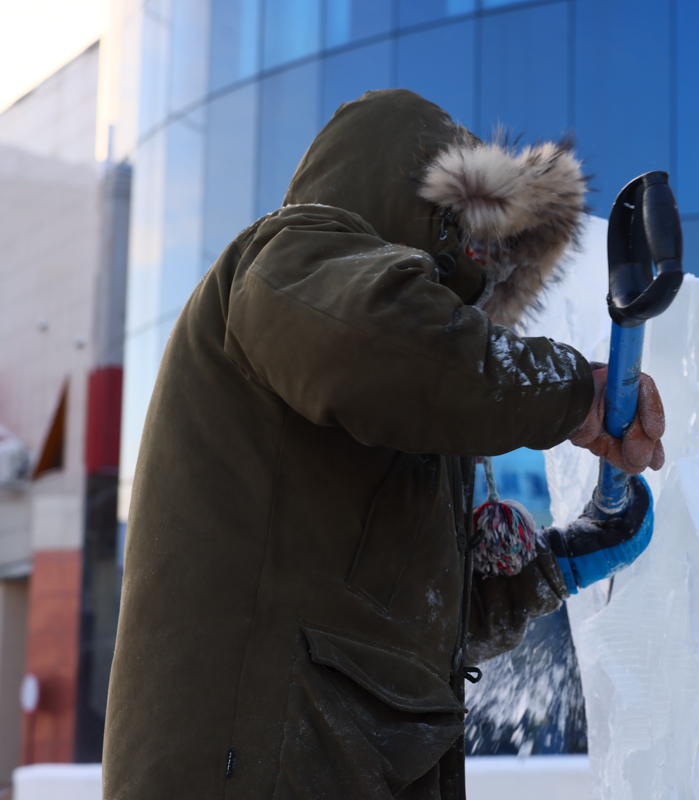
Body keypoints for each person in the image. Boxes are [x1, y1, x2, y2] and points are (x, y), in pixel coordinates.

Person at [102, 89, 665, 799]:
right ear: (422, 206)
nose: (485, 266)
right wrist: (572, 395)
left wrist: (557, 564)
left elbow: (413, 625)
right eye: (472, 235)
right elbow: (380, 344)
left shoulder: (405, 414)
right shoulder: (289, 258)